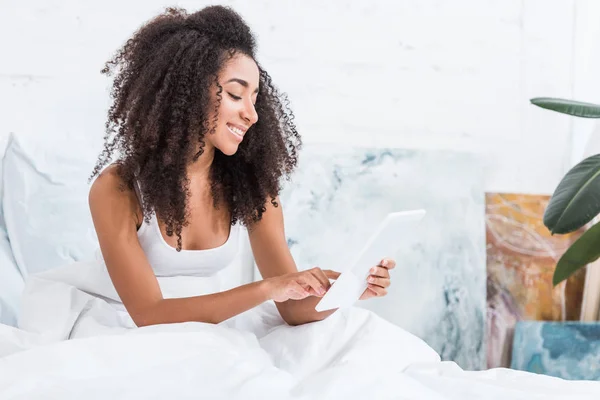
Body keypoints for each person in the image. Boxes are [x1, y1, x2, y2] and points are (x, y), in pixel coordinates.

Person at [87, 5, 395, 328]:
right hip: (122, 330)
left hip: (205, 335)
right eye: (236, 94)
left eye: (255, 97)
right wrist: (265, 289)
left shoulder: (250, 187)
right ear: (188, 91)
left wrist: (350, 287)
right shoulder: (117, 189)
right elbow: (149, 315)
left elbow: (291, 308)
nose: (253, 114)